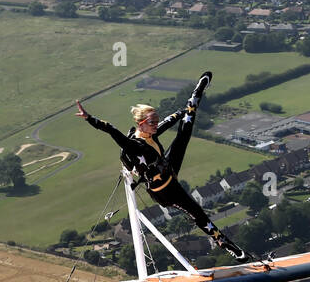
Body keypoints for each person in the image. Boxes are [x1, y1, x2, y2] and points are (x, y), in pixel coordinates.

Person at [76, 72, 247, 261]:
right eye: (152, 122)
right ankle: (225, 243)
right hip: (164, 190)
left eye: (156, 121)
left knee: (186, 128)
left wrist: (185, 112)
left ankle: (197, 92)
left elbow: (168, 122)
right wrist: (89, 118)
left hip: (168, 169)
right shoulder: (134, 145)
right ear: (141, 124)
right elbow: (112, 131)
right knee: (197, 213)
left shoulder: (151, 134)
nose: (156, 125)